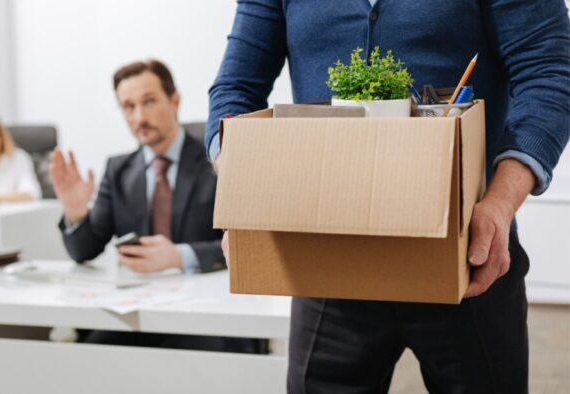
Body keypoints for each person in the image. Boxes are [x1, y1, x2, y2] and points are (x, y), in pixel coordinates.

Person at [206, 1, 569, 392]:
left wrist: (499, 204)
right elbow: (235, 88)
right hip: (325, 265)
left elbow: (549, 74)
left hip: (469, 257)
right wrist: (239, 187)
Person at [50, 60, 250, 351]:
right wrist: (76, 211)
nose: (139, 116)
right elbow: (85, 250)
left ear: (175, 100)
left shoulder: (219, 160)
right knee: (90, 355)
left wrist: (179, 257)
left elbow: (246, 244)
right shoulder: (118, 170)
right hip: (139, 313)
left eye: (149, 102)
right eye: (128, 107)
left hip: (205, 312)